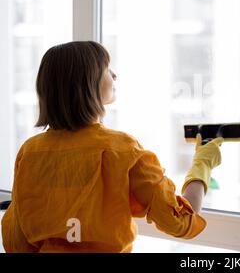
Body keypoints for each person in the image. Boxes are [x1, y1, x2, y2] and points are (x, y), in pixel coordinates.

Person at [1, 41, 223, 253]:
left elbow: (16, 241)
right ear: (88, 82)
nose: (114, 75)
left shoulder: (30, 152)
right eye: (107, 69)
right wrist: (202, 163)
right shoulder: (124, 150)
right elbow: (181, 221)